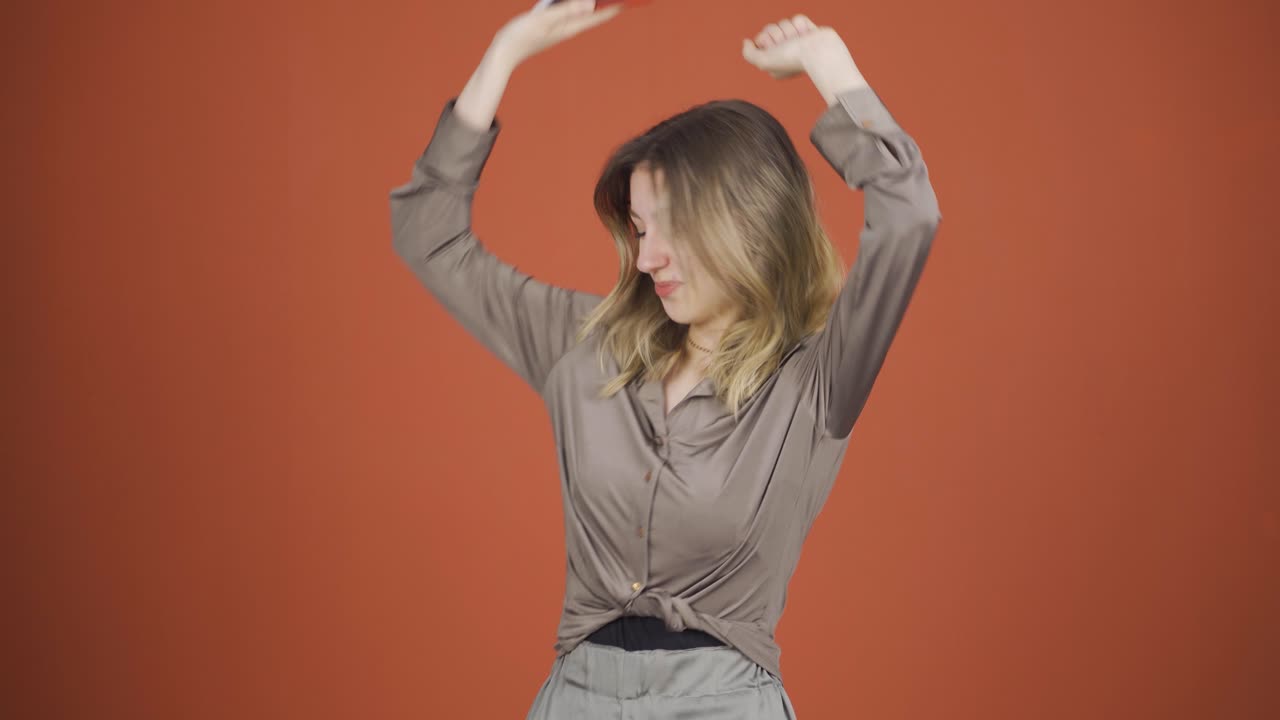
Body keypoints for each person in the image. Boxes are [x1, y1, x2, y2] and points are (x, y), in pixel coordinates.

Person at [389, 1, 941, 716]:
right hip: (576, 697)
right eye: (638, 228)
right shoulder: (584, 347)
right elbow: (427, 237)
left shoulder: (814, 383)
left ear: (745, 219)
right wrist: (505, 50)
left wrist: (827, 62)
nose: (645, 258)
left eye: (670, 228)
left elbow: (909, 213)